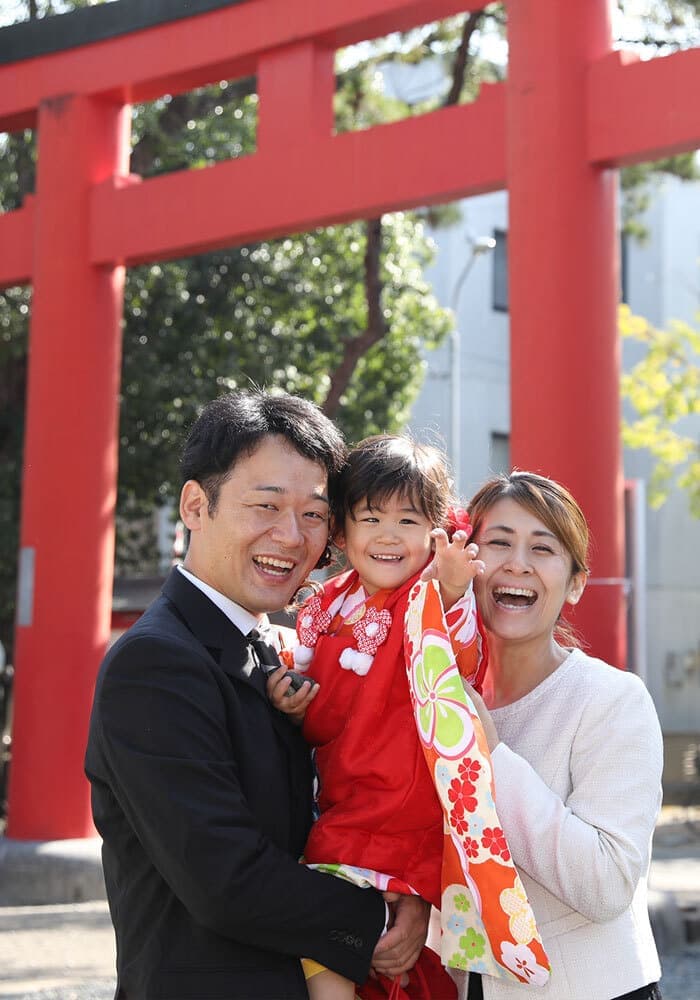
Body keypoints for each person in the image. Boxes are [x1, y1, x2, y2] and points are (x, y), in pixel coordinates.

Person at [84, 390, 431, 1000]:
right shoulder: (156, 661)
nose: (291, 537)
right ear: (196, 505)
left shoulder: (277, 647)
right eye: (266, 506)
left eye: (314, 514)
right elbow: (226, 878)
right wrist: (375, 919)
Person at [268, 436, 548, 1000]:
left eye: (408, 519)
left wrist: (449, 586)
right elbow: (316, 703)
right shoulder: (326, 604)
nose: (389, 535)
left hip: (405, 823)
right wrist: (290, 697)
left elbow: (460, 659)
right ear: (342, 533)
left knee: (372, 958)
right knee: (367, 965)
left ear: (438, 532)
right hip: (345, 811)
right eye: (370, 518)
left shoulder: (431, 599)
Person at [455, 471, 663, 1000]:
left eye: (542, 548)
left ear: (574, 582)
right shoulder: (444, 696)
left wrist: (490, 756)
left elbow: (607, 883)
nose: (517, 563)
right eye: (498, 542)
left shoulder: (612, 699)